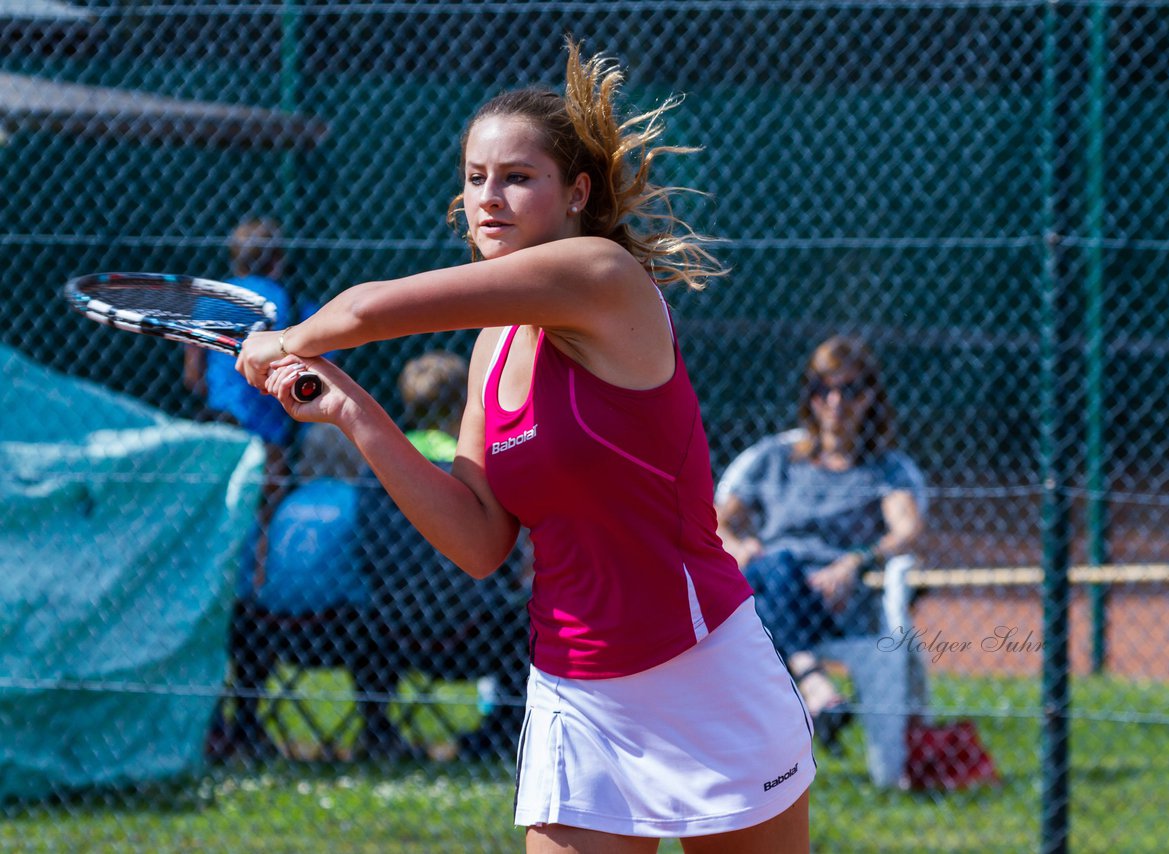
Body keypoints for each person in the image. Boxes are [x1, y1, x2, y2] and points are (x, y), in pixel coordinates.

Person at [235, 37, 813, 853]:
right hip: (575, 689)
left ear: (576, 193)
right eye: (475, 178)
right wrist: (354, 412)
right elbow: (477, 538)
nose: (488, 199)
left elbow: (366, 313)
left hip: (701, 670)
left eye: (517, 177)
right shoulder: (493, 346)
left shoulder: (602, 276)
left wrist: (284, 336)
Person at [714, 334, 927, 753]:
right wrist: (738, 546)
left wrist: (855, 562)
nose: (835, 402)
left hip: (837, 603)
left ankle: (812, 693)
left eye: (849, 390)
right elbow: (717, 520)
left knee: (767, 574)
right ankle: (813, 681)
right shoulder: (775, 458)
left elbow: (908, 532)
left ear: (870, 397)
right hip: (769, 582)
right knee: (773, 564)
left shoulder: (885, 469)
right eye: (822, 389)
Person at [353, 350, 530, 762]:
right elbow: (507, 557)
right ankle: (500, 734)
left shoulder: (383, 463)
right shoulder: (470, 462)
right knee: (528, 621)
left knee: (357, 614)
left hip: (391, 630)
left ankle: (378, 730)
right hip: (470, 632)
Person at [188, 216, 298, 761]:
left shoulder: (211, 298)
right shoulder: (276, 297)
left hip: (217, 441)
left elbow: (192, 376)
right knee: (255, 571)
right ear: (276, 262)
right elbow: (297, 361)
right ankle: (248, 723)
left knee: (214, 571)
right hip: (266, 447)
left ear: (233, 263)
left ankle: (213, 724)